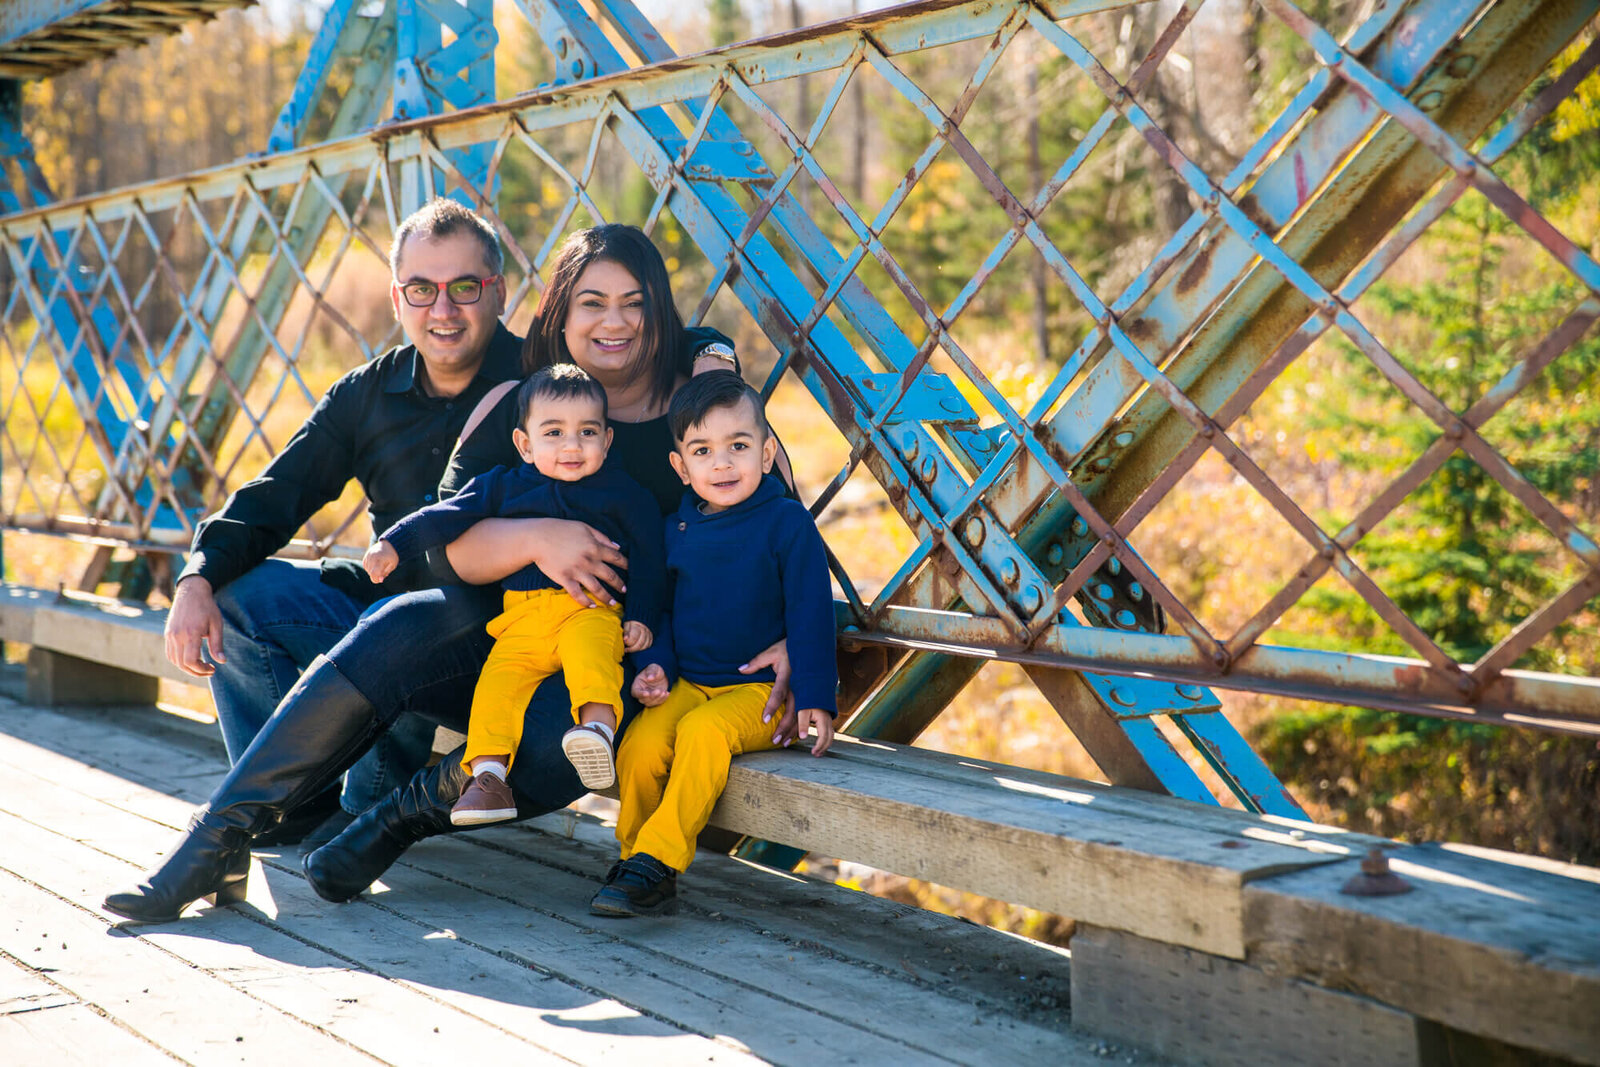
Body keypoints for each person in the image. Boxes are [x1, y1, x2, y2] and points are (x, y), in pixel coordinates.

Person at [103, 220, 763, 923]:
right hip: (496, 628)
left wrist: (711, 349)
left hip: (625, 650)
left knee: (574, 734)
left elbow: (772, 523)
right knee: (405, 619)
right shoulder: (519, 399)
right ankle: (217, 837)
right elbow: (439, 547)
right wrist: (541, 537)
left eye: (635, 304)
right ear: (559, 314)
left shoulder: (701, 404)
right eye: (591, 304)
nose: (615, 323)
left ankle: (395, 816)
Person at [159, 197, 523, 847]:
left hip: (497, 647)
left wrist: (709, 349)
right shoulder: (365, 395)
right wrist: (196, 576)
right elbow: (277, 494)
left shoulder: (545, 384)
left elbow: (639, 345)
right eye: (422, 289)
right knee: (243, 598)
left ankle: (368, 799)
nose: (443, 310)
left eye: (464, 287)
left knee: (375, 779)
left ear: (499, 291)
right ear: (395, 298)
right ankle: (292, 800)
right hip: (385, 624)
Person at [362, 363, 665, 824]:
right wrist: (393, 545)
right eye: (554, 432)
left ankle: (597, 731)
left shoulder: (626, 495)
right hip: (520, 622)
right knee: (496, 691)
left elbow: (650, 558)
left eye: (587, 432)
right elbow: (446, 516)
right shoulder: (502, 486)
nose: (572, 445)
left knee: (593, 658)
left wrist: (641, 616)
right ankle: (487, 779)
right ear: (525, 444)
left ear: (606, 440)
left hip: (590, 609)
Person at [591, 372, 836, 917]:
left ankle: (659, 858)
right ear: (681, 466)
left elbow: (811, 608)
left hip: (759, 697)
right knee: (641, 745)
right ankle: (636, 859)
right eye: (703, 450)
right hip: (691, 683)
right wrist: (654, 666)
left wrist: (817, 694)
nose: (722, 463)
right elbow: (663, 613)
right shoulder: (675, 528)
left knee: (701, 734)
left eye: (739, 447)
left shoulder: (786, 523)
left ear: (767, 453)